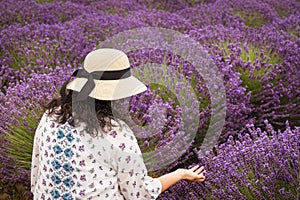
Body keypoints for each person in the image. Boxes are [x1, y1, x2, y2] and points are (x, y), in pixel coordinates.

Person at [31, 48, 206, 200]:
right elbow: (139, 194)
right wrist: (180, 174)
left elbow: (36, 172)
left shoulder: (51, 114)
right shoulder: (115, 133)